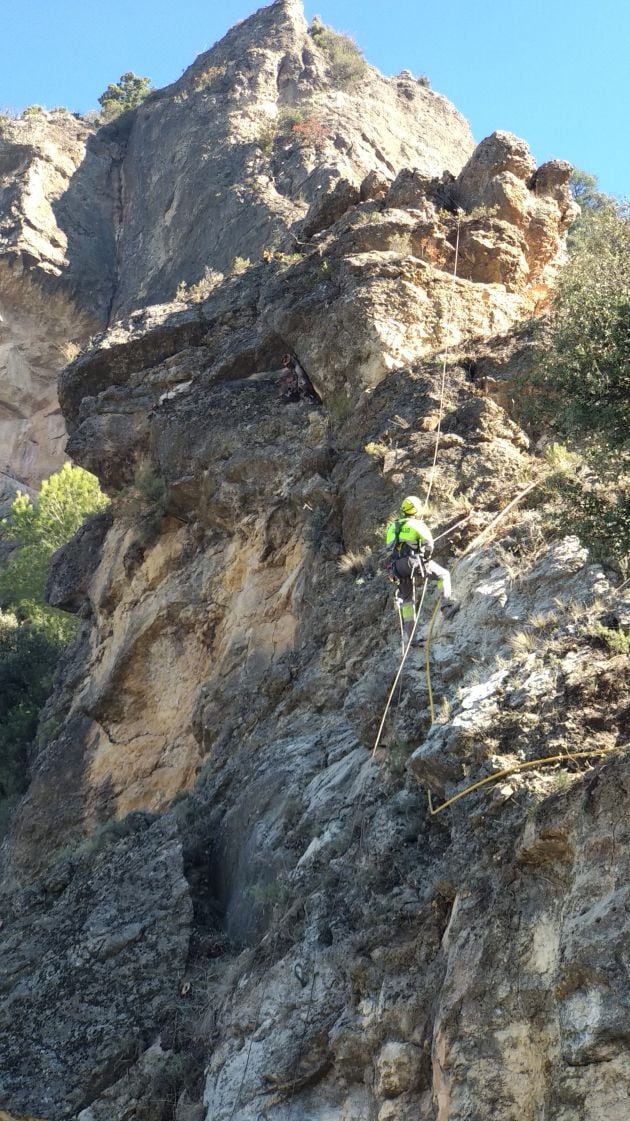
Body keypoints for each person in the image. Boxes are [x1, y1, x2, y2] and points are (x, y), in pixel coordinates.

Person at [385, 495, 459, 643]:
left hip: (396, 568)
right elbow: (429, 545)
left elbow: (389, 549)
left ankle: (409, 636)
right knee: (443, 575)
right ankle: (447, 607)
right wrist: (425, 558)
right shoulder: (417, 524)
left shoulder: (393, 527)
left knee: (407, 600)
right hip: (413, 561)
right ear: (416, 509)